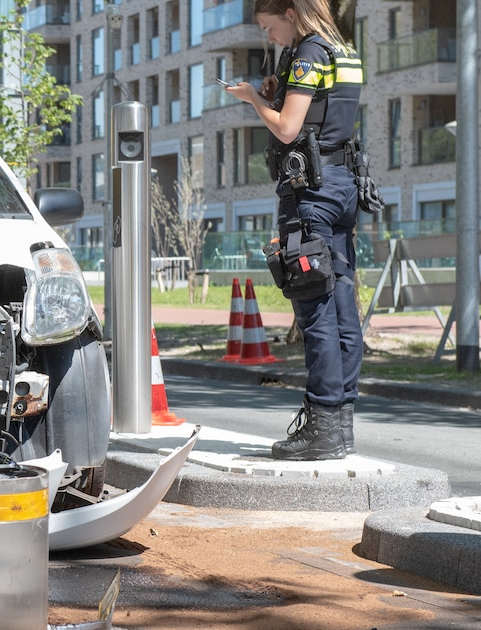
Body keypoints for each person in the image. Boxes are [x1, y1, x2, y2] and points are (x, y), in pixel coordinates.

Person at [225, 0, 363, 461]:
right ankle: (340, 425)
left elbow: (288, 129)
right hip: (343, 188)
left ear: (290, 12)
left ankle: (322, 425)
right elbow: (326, 112)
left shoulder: (308, 53)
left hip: (310, 196)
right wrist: (278, 91)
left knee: (315, 310)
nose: (269, 37)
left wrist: (255, 99)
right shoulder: (343, 50)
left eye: (269, 26)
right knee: (342, 308)